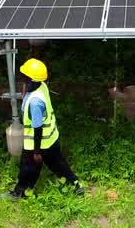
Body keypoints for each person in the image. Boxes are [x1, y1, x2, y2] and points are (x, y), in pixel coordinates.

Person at [6, 58, 84, 199]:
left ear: (31, 79)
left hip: (37, 142)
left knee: (28, 168)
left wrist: (36, 152)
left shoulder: (35, 103)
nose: (22, 77)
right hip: (50, 139)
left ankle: (20, 192)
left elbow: (37, 127)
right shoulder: (41, 86)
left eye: (25, 76)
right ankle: (75, 185)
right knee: (59, 164)